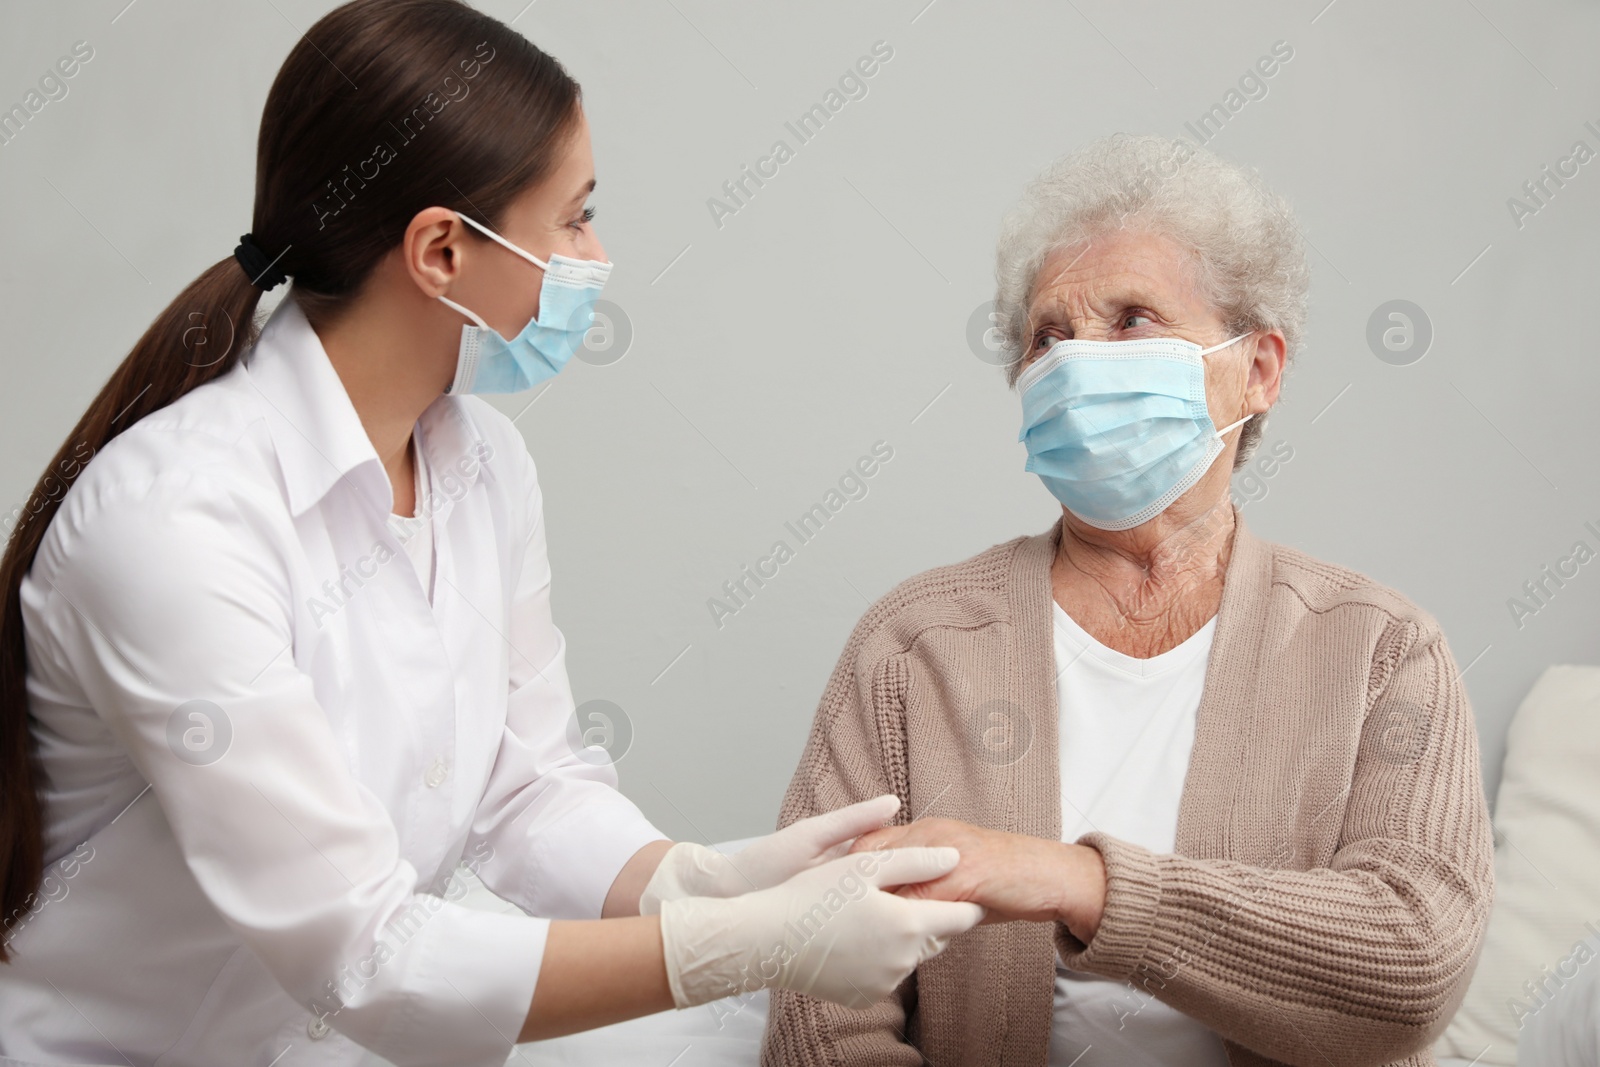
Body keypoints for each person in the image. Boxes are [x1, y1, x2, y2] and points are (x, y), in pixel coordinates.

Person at [0, 3, 982, 1064]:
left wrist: (695, 877)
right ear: (441, 251)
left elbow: (528, 789)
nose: (595, 254)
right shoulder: (176, 522)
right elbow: (362, 953)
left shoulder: (482, 465)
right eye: (573, 218)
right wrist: (735, 945)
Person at [761, 133, 1496, 1067]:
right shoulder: (914, 645)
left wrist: (1079, 882)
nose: (1076, 365)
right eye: (1048, 336)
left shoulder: (1382, 650)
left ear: (1259, 368)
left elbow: (1412, 964)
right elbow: (814, 988)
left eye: (1133, 319)